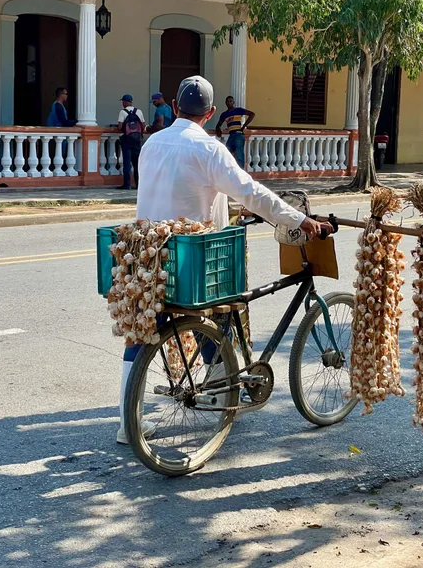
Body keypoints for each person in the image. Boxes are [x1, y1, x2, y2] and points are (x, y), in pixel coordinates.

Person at [115, 75, 332, 445]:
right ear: (212, 113)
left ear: (175, 105)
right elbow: (251, 193)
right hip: (193, 253)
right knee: (217, 313)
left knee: (142, 331)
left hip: (148, 254)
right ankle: (219, 388)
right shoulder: (209, 149)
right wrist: (300, 219)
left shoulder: (152, 142)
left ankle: (126, 424)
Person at [216, 96, 255, 169]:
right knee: (226, 154)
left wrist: (244, 126)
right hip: (231, 135)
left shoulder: (238, 110)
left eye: (230, 101)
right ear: (225, 103)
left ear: (233, 102)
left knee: (239, 156)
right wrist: (218, 129)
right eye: (227, 101)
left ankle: (241, 174)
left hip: (238, 135)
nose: (229, 102)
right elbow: (218, 125)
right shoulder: (224, 114)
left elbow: (252, 114)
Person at [116, 94, 144, 190]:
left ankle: (127, 184)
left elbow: (120, 126)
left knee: (127, 163)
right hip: (137, 140)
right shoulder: (138, 111)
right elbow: (143, 125)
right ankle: (138, 184)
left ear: (124, 102)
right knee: (137, 163)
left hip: (127, 140)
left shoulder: (123, 112)